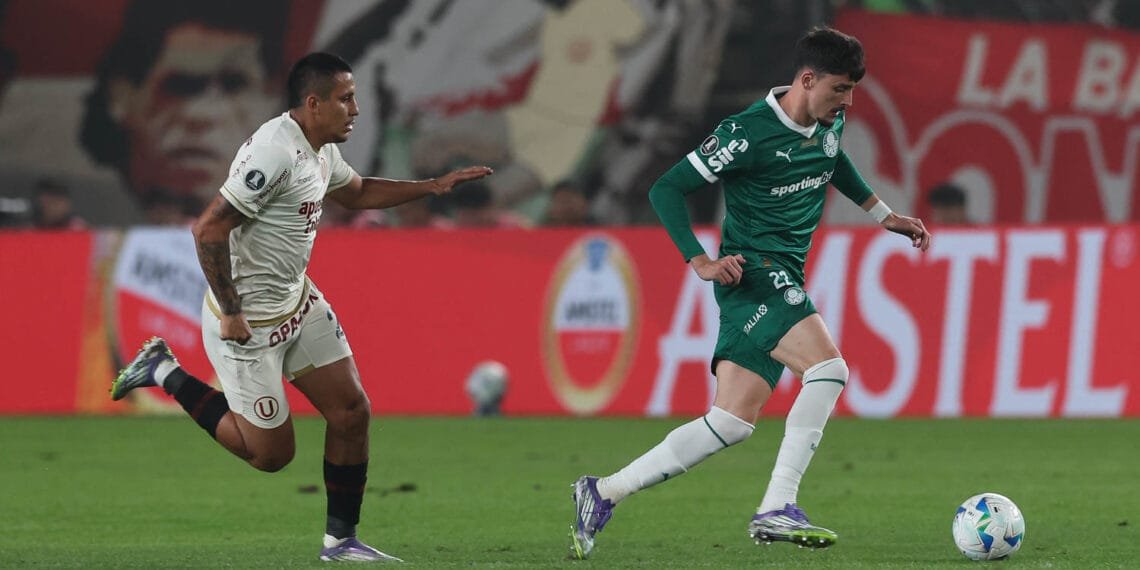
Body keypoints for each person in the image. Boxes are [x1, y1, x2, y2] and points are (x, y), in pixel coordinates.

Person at [111, 52, 492, 562]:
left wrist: (431, 186)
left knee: (352, 412)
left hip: (298, 302)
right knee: (270, 456)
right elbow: (208, 230)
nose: (355, 109)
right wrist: (231, 310)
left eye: (355, 96)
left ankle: (341, 542)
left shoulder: (319, 147)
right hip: (248, 325)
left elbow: (355, 193)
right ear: (314, 103)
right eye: (346, 99)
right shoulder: (274, 152)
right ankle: (163, 371)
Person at [569, 27, 931, 559]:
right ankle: (777, 506)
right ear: (807, 80)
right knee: (829, 370)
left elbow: (834, 162)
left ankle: (602, 492)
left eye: (853, 90)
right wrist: (701, 261)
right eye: (839, 89)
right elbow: (666, 187)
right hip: (755, 274)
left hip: (782, 275)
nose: (848, 101)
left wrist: (885, 216)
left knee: (731, 423)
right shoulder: (745, 133)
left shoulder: (830, 121)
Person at [80, 1, 287, 222]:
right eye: (181, 86)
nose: (204, 113)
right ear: (122, 96)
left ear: (272, 99)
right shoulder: (91, 211)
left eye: (234, 84)